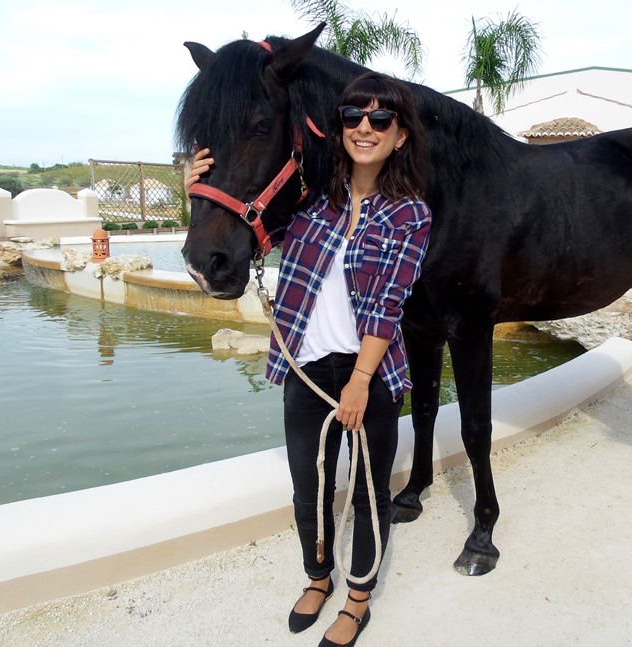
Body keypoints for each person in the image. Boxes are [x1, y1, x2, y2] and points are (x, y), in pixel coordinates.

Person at [188, 72, 430, 647]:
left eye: (380, 119)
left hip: (367, 377)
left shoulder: (410, 216)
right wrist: (198, 187)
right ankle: (317, 577)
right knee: (309, 488)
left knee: (370, 494)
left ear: (399, 136)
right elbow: (235, 227)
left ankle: (359, 597)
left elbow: (388, 307)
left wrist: (361, 382)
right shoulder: (309, 204)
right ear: (339, 129)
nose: (364, 128)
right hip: (305, 371)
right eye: (353, 118)